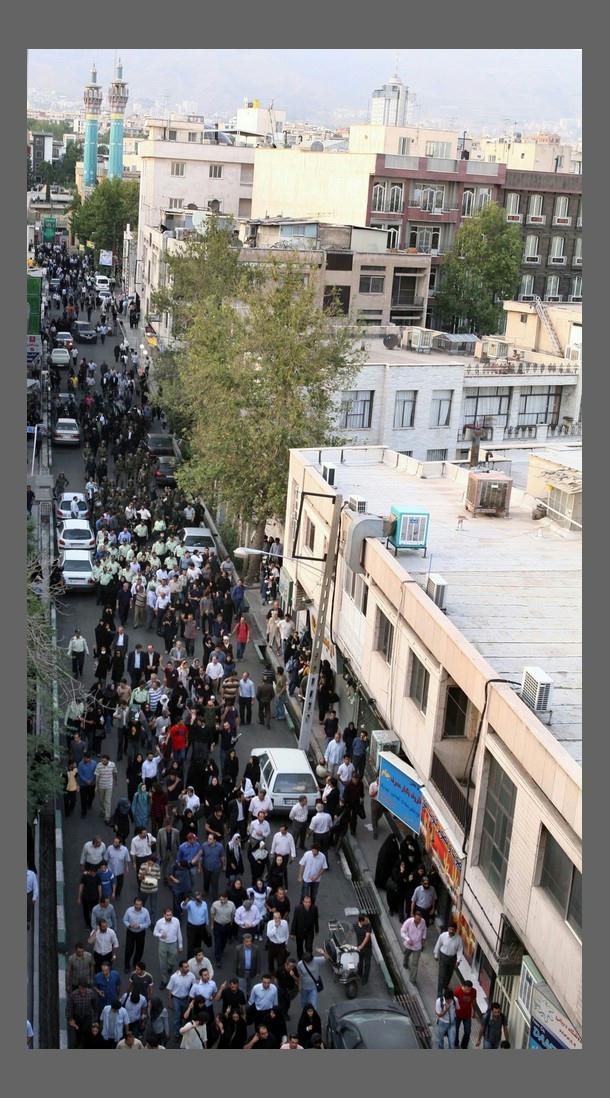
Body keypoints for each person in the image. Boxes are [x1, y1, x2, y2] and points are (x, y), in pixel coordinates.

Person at [153, 909, 183, 990]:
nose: (169, 917)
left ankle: (170, 966)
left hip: (173, 943)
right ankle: (164, 980)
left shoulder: (176, 921)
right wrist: (160, 935)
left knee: (172, 960)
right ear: (164, 915)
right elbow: (155, 932)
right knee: (162, 963)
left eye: (170, 915)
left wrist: (180, 945)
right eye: (167, 915)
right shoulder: (159, 922)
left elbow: (179, 933)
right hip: (163, 944)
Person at [166, 960, 195, 1040]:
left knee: (185, 1016)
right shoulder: (174, 977)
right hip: (176, 999)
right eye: (185, 967)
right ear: (180, 968)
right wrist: (169, 1002)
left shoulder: (191, 976)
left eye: (188, 966)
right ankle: (177, 1034)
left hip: (186, 999)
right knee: (177, 1017)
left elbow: (195, 986)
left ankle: (184, 1030)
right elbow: (169, 990)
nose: (188, 968)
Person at [434, 922, 464, 996]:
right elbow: (438, 944)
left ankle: (445, 986)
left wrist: (458, 960)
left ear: (455, 930)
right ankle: (439, 992)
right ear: (448, 929)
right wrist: (436, 954)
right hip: (443, 957)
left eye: (453, 930)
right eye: (450, 929)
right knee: (442, 975)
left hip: (452, 958)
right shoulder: (443, 936)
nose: (451, 931)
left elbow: (460, 950)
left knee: (449, 975)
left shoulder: (458, 939)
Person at [123, 897, 151, 971]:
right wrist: (129, 925)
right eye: (136, 904)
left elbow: (148, 923)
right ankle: (127, 966)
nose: (138, 906)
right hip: (130, 932)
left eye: (140, 904)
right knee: (129, 949)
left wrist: (140, 926)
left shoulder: (145, 911)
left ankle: (136, 964)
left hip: (140, 933)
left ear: (142, 904)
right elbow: (125, 920)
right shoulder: (129, 910)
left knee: (139, 950)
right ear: (134, 904)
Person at [400, 911, 427, 984]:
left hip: (418, 946)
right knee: (406, 955)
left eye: (419, 919)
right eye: (417, 919)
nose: (418, 921)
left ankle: (412, 979)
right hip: (409, 945)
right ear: (414, 917)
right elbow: (402, 932)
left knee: (415, 963)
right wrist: (407, 939)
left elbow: (424, 929)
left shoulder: (423, 922)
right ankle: (405, 962)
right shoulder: (408, 922)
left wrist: (424, 938)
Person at [181, 891, 210, 957]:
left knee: (198, 943)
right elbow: (183, 907)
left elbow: (206, 914)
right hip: (191, 927)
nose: (198, 900)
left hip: (201, 927)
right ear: (194, 899)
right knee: (190, 944)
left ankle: (197, 957)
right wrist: (185, 902)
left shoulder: (204, 904)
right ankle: (189, 959)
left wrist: (207, 923)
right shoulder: (190, 903)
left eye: (199, 898)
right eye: (197, 899)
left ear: (201, 898)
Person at [210, 892, 236, 964]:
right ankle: (218, 959)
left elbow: (233, 914)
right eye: (220, 899)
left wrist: (231, 923)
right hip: (217, 925)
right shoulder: (215, 904)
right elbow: (212, 914)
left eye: (223, 899)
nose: (222, 901)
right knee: (217, 942)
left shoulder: (231, 904)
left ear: (227, 898)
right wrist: (212, 924)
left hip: (227, 925)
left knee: (224, 940)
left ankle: (221, 950)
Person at [290, 895, 318, 961]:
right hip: (299, 932)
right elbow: (295, 921)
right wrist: (292, 933)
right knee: (299, 947)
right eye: (306, 902)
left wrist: (316, 929)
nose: (308, 904)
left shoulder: (314, 908)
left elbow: (316, 919)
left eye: (309, 902)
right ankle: (300, 959)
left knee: (309, 947)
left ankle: (309, 959)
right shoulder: (298, 909)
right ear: (303, 902)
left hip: (309, 932)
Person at [235, 932, 260, 997]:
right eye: (247, 941)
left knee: (250, 985)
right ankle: (243, 999)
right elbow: (235, 960)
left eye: (250, 941)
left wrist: (258, 971)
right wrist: (235, 971)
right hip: (241, 971)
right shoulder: (238, 948)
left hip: (252, 971)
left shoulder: (256, 948)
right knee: (242, 987)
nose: (249, 943)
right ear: (243, 941)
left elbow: (258, 961)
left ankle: (248, 994)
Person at [94, 754, 118, 824]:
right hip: (101, 785)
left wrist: (116, 781)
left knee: (107, 801)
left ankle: (107, 817)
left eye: (104, 761)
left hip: (109, 786)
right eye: (102, 761)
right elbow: (97, 776)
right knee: (101, 800)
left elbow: (115, 772)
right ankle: (103, 810)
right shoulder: (99, 765)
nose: (103, 762)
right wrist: (96, 786)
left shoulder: (112, 765)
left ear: (108, 760)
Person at [454, 979, 477, 1049]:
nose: (468, 991)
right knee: (455, 1030)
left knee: (468, 1031)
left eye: (469, 989)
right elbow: (453, 1003)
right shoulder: (457, 991)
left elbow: (474, 1001)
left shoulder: (473, 991)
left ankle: (464, 1046)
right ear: (463, 986)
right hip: (457, 1014)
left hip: (467, 1015)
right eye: (466, 990)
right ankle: (456, 1043)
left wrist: (474, 1011)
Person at [355, 914, 373, 985]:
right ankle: (359, 973)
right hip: (359, 948)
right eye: (366, 920)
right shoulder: (356, 925)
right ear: (361, 921)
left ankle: (365, 979)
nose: (367, 921)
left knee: (367, 964)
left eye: (367, 919)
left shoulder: (368, 925)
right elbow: (350, 932)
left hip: (367, 948)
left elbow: (367, 937)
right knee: (360, 962)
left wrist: (362, 946)